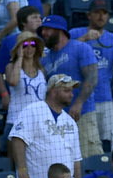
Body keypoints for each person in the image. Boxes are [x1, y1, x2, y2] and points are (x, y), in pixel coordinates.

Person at [70, 0, 113, 152]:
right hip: (80, 99)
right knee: (81, 142)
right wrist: (84, 39)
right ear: (89, 15)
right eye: (97, 12)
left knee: (107, 142)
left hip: (105, 99)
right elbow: (62, 53)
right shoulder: (75, 33)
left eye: (104, 13)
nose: (101, 16)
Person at [38, 14, 101, 159]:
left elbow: (92, 78)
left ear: (59, 30)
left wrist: (79, 103)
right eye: (42, 30)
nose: (43, 33)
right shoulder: (45, 58)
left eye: (47, 29)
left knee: (88, 157)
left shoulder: (81, 48)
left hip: (82, 114)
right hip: (58, 118)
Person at [9, 73, 83, 178]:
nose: (71, 95)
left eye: (71, 91)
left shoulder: (70, 121)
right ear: (53, 91)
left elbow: (76, 159)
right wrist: (22, 170)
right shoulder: (33, 110)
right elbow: (18, 139)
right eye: (66, 91)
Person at [4, 30, 46, 156]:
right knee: (16, 163)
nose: (29, 48)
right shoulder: (11, 67)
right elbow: (13, 81)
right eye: (25, 45)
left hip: (38, 122)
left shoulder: (41, 69)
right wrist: (20, 57)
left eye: (33, 44)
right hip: (16, 121)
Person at [0, 5, 42, 110]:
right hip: (16, 99)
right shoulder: (10, 41)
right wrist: (4, 94)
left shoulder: (44, 41)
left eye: (39, 17)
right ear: (23, 22)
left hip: (39, 99)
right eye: (34, 17)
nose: (39, 20)